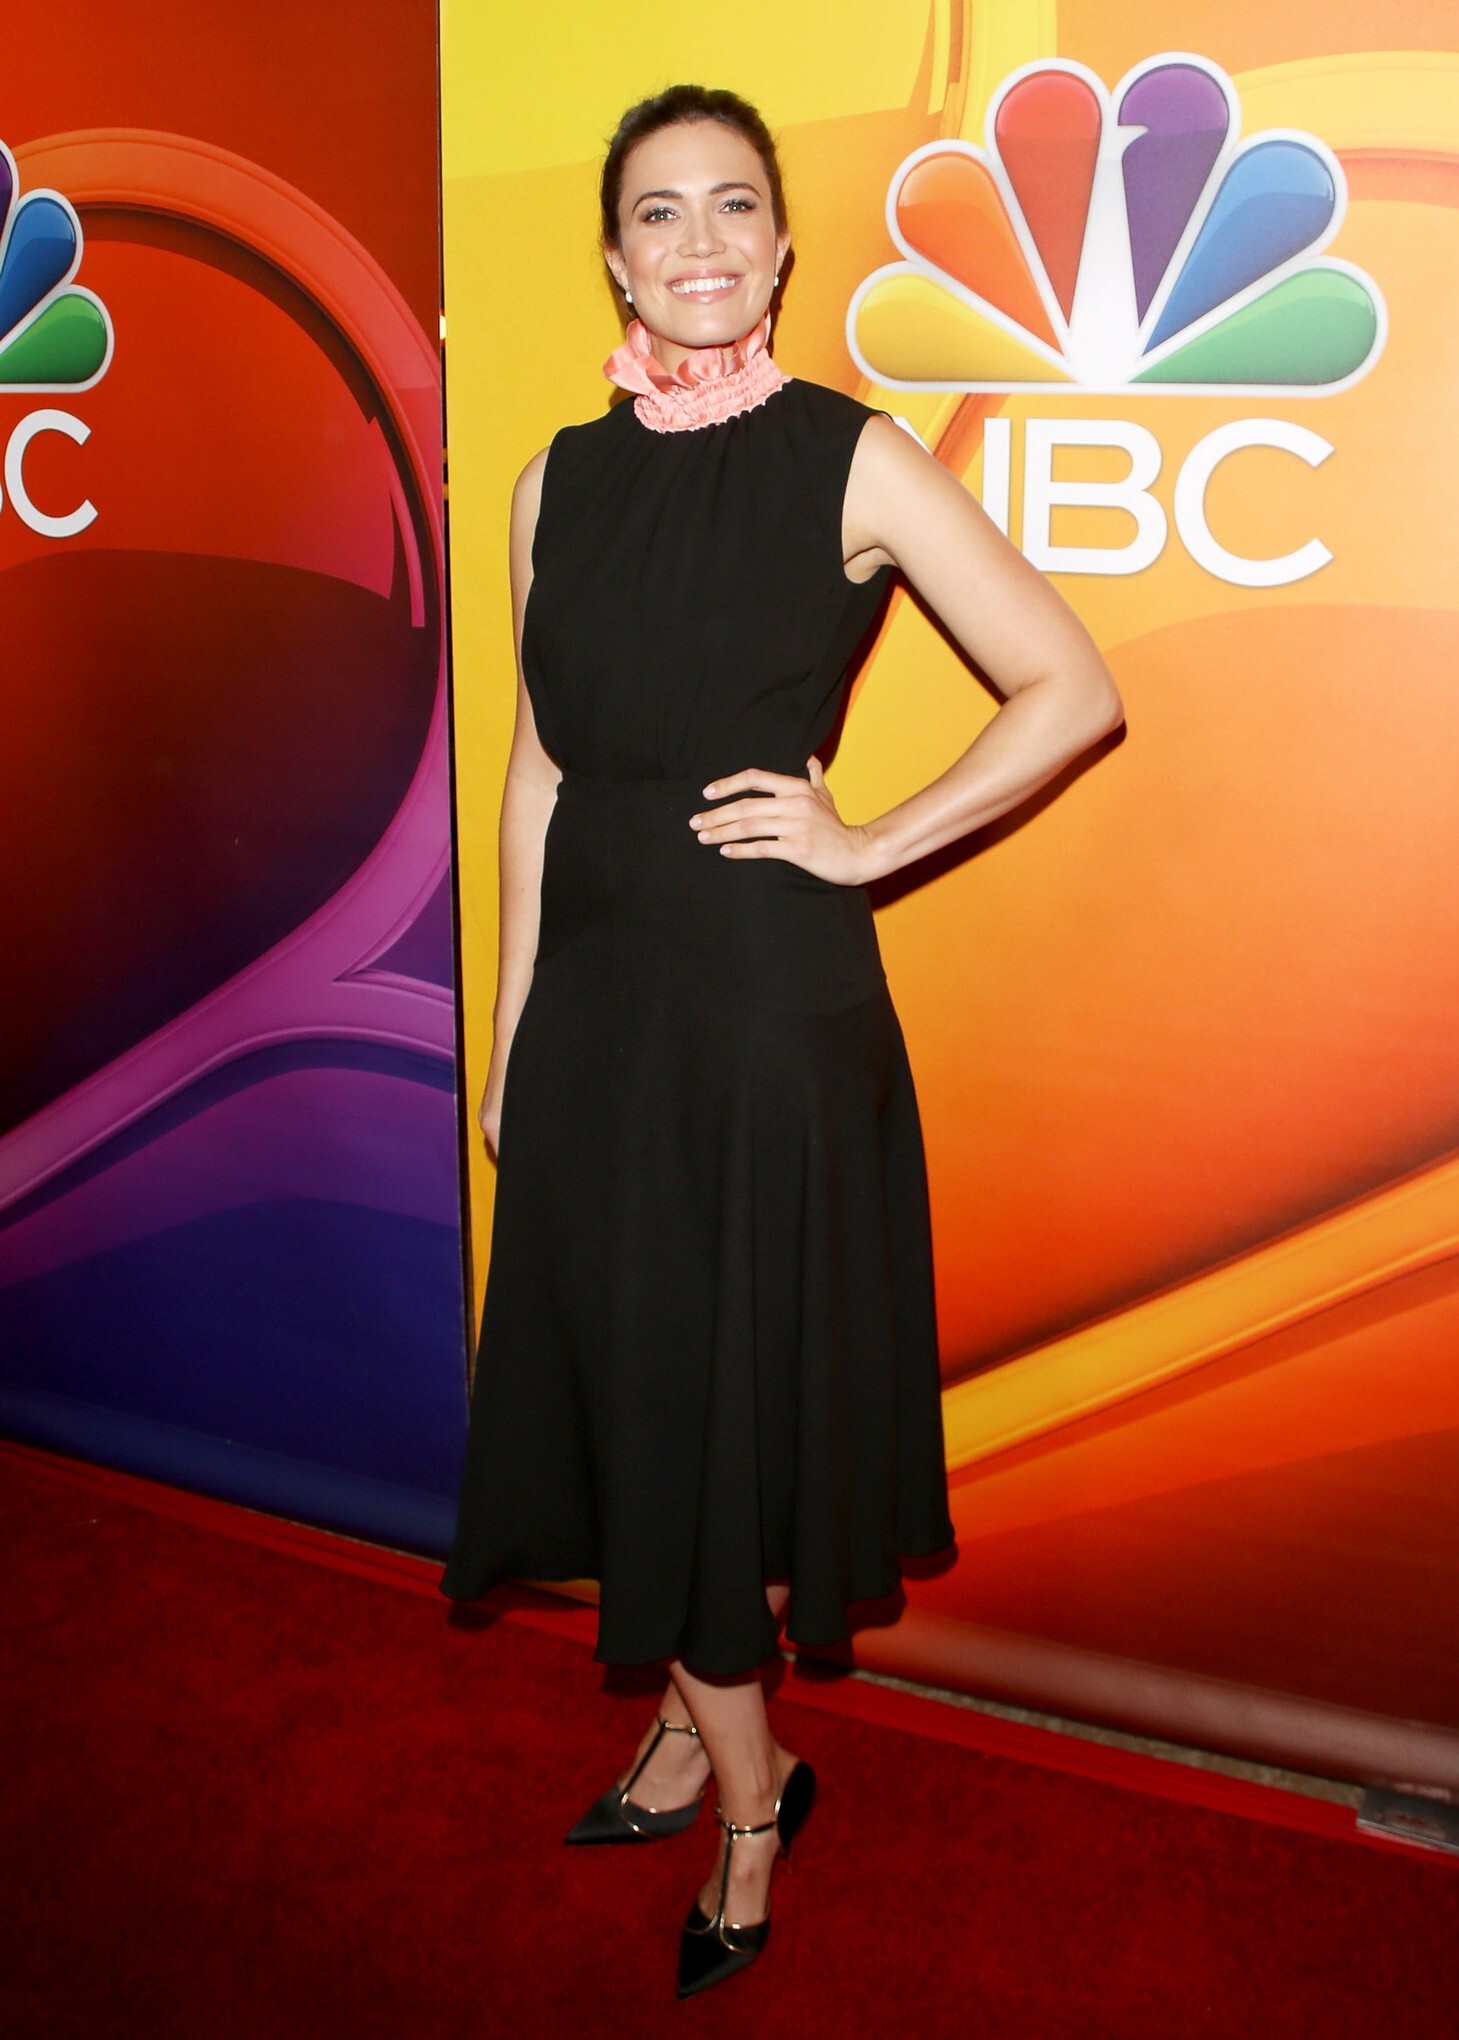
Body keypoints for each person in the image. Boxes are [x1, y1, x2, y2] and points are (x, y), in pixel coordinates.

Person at [440, 83, 1124, 1998]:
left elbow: (1070, 686)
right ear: (614, 257)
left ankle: (756, 1795)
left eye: (734, 204)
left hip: (759, 1010)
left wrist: (868, 839)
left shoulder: (853, 457)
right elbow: (539, 771)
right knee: (631, 1388)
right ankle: (692, 1725)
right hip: (597, 1008)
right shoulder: (553, 483)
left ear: (783, 243)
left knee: (714, 1394)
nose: (700, 241)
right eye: (659, 212)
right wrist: (511, 1019)